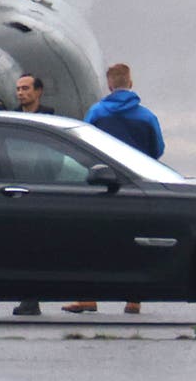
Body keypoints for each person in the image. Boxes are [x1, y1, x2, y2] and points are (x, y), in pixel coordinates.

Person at [62, 62, 164, 316]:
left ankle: (87, 298)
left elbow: (81, 145)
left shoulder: (97, 113)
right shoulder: (146, 117)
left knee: (91, 242)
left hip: (100, 186)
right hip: (138, 186)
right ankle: (133, 299)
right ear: (130, 83)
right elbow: (158, 149)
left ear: (109, 84)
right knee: (135, 241)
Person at [11, 72, 53, 317]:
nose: (21, 93)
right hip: (19, 187)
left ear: (38, 91)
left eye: (26, 88)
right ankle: (29, 298)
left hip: (43, 187)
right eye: (18, 89)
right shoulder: (12, 117)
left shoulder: (50, 119)